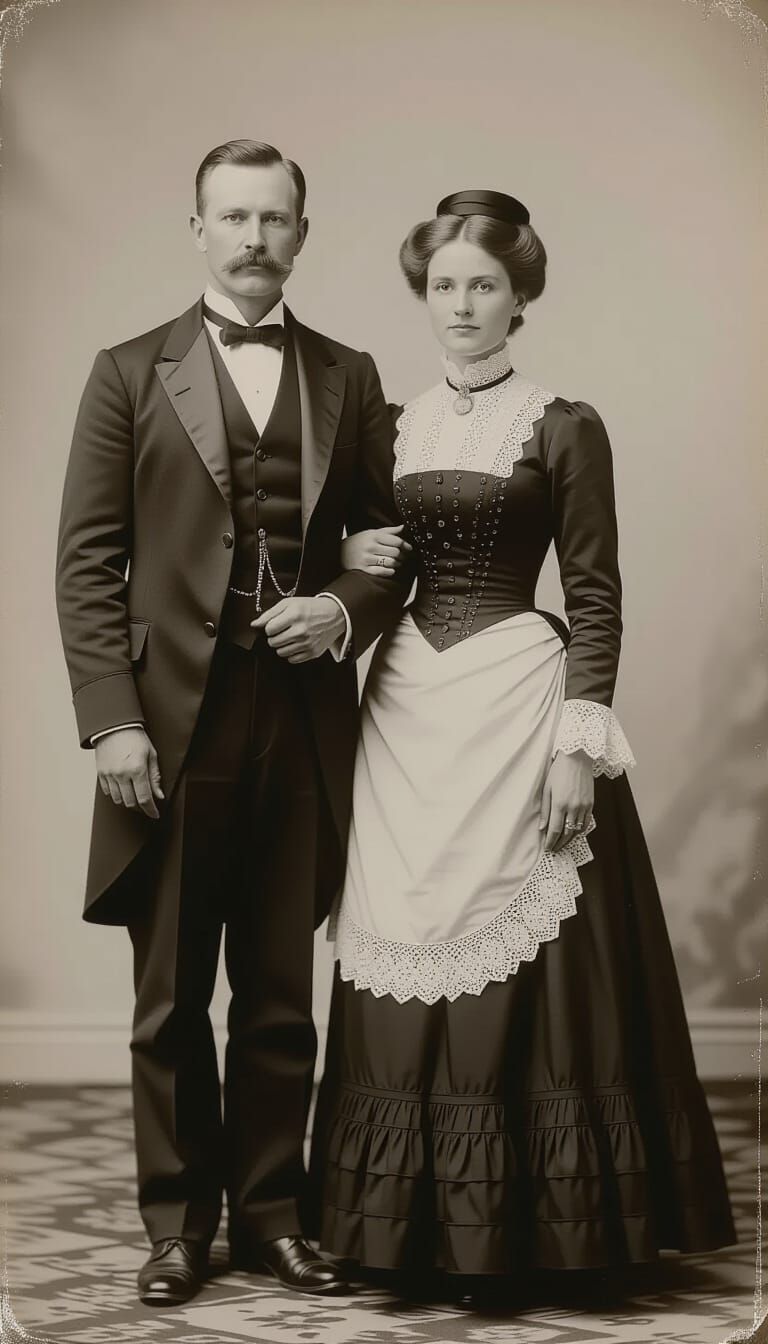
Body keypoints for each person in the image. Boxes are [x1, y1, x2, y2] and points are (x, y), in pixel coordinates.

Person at [309, 189, 735, 1299]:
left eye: (483, 286)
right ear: (424, 294)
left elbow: (595, 596)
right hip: (405, 710)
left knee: (524, 937)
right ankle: (392, 1229)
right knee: (403, 931)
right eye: (444, 284)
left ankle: (522, 1235)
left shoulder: (562, 426)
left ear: (521, 297)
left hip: (518, 701)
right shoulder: (387, 426)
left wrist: (575, 747)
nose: (462, 304)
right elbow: (375, 575)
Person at [55, 139, 411, 1307]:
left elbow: (384, 550)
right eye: (235, 217)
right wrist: (112, 723)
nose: (256, 238)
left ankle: (271, 1217)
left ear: (302, 234)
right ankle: (177, 1227)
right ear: (198, 229)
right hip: (167, 733)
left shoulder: (348, 374)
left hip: (299, 722)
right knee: (167, 1002)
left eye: (277, 219)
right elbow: (87, 564)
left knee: (276, 992)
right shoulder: (125, 372)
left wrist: (344, 610)